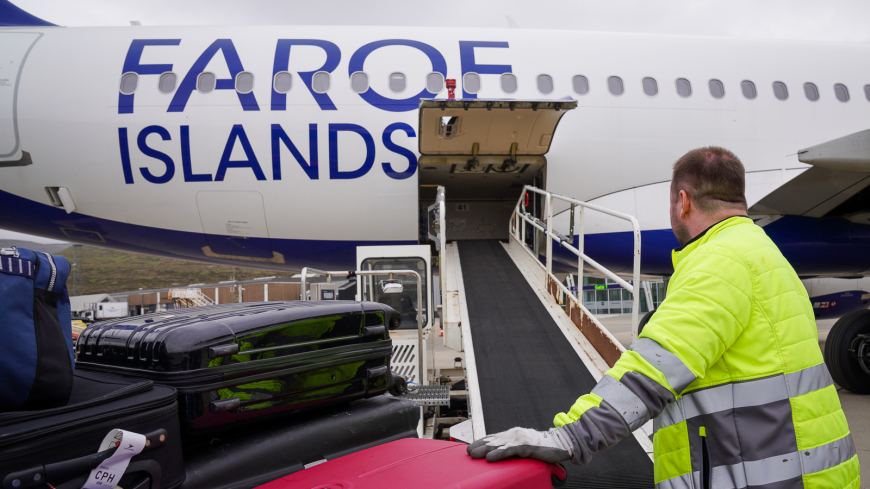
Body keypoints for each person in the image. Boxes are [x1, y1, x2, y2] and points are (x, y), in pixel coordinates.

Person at [468, 147, 860, 488]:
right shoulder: (764, 253)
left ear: (683, 201)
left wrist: (569, 437)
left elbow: (652, 370)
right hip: (807, 468)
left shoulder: (719, 261)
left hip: (770, 477)